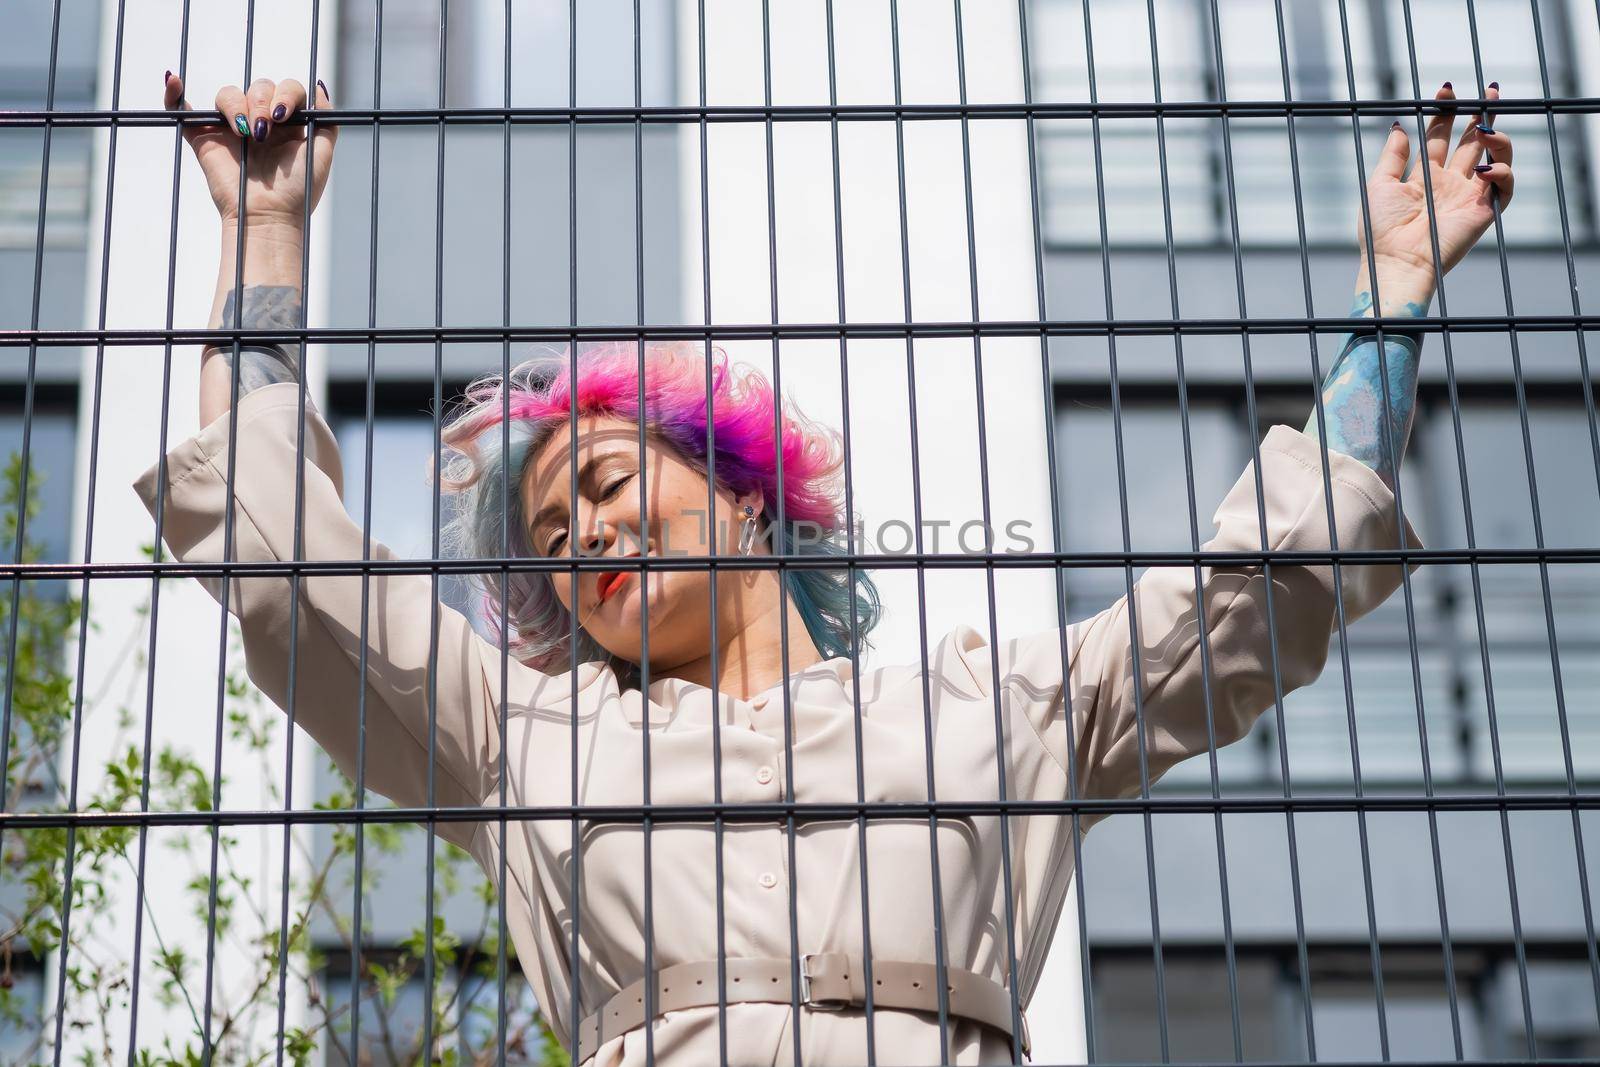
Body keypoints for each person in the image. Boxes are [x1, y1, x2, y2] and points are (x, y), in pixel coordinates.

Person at [138, 70, 1513, 1066]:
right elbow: (284, 569)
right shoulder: (520, 738)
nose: (586, 542)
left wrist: (1391, 301)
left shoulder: (998, 710)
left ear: (746, 501)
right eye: (550, 545)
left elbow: (1258, 595)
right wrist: (264, 234)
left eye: (608, 487)